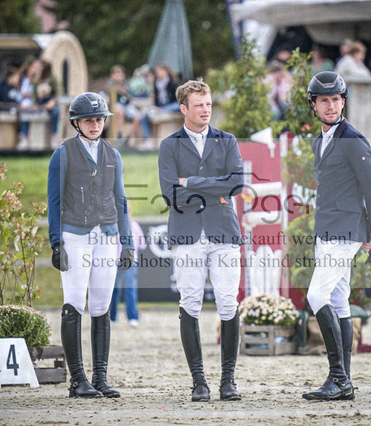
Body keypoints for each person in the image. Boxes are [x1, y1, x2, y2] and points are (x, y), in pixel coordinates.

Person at [158, 78, 244, 402]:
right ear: (184, 109)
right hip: (187, 232)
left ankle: (228, 381)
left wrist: (191, 182)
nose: (206, 110)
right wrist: (214, 187)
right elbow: (171, 194)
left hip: (223, 231)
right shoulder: (169, 146)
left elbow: (236, 184)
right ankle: (199, 382)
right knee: (190, 302)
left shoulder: (227, 141)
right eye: (199, 105)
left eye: (208, 104)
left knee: (228, 302)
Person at [301, 71, 371, 402]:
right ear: (314, 105)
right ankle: (344, 383)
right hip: (327, 228)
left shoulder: (353, 139)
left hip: (346, 231)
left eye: (336, 99)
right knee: (338, 301)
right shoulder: (320, 141)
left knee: (316, 295)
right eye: (324, 100)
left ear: (343, 102)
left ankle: (338, 378)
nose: (331, 106)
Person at [47, 92, 135, 398]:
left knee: (101, 306)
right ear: (76, 123)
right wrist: (56, 242)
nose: (95, 125)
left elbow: (121, 201)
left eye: (99, 119)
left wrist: (127, 242)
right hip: (75, 236)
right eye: (88, 120)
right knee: (74, 302)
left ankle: (100, 377)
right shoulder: (63, 154)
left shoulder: (114, 155)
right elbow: (54, 202)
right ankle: (77, 379)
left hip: (106, 236)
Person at [109, 208, 146, 327]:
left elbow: (143, 244)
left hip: (130, 260)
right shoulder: (116, 226)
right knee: (115, 290)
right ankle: (112, 317)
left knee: (128, 289)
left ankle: (132, 317)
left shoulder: (134, 226)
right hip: (117, 261)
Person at [140, 62, 179, 143]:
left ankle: (161, 110)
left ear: (166, 71)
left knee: (177, 105)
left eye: (159, 71)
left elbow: (177, 100)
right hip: (161, 107)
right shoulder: (156, 84)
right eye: (156, 71)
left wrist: (161, 109)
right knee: (144, 117)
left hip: (172, 106)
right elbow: (156, 101)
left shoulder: (172, 83)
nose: (157, 73)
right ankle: (148, 139)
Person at [108, 65, 141, 145]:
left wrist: (125, 91)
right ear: (112, 75)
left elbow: (131, 96)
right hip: (116, 105)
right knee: (120, 111)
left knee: (137, 116)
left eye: (120, 73)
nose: (119, 76)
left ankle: (128, 139)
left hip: (127, 105)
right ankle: (119, 136)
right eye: (116, 73)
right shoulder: (110, 84)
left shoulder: (126, 84)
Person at [35, 60, 61, 145]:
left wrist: (52, 102)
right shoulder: (36, 78)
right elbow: (33, 93)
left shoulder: (53, 78)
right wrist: (34, 103)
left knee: (56, 112)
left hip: (50, 103)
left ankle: (54, 134)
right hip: (39, 104)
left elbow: (58, 93)